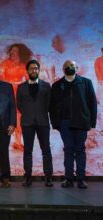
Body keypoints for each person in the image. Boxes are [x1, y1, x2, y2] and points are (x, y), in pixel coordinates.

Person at [50, 60, 97, 189]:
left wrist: (92, 123)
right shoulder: (57, 85)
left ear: (77, 68)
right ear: (62, 68)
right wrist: (55, 123)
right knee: (68, 149)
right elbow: (52, 107)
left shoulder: (86, 83)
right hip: (64, 122)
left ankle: (81, 179)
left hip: (81, 121)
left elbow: (92, 103)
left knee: (80, 150)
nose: (69, 67)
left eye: (72, 65)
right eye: (66, 66)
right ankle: (69, 178)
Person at [16, 60, 53, 187]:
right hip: (27, 122)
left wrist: (40, 114)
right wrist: (29, 114)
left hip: (43, 122)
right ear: (27, 71)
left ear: (39, 70)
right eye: (31, 68)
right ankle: (28, 177)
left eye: (36, 68)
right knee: (27, 150)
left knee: (46, 150)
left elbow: (49, 105)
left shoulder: (47, 86)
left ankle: (48, 177)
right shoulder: (21, 87)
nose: (34, 70)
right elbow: (19, 105)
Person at [0, 43, 33, 150]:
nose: (12, 52)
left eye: (15, 50)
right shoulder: (5, 63)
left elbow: (30, 80)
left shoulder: (24, 65)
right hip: (6, 92)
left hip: (19, 93)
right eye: (11, 50)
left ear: (20, 53)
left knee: (19, 118)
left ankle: (17, 142)